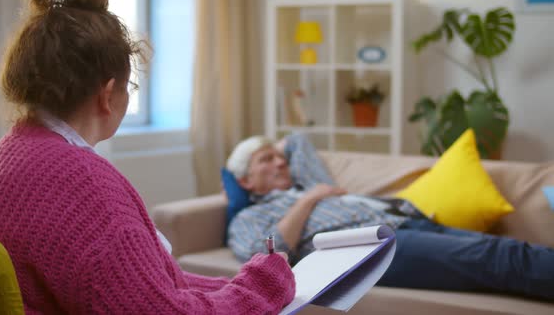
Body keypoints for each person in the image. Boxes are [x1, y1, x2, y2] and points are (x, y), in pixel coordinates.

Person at [0, 0, 295, 313]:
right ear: (108, 95)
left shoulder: (12, 152)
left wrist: (239, 285)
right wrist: (265, 285)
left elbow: (146, 284)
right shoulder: (83, 183)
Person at [226, 132, 554, 301]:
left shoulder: (309, 181)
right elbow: (265, 253)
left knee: (514, 250)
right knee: (496, 256)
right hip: (371, 245)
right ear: (245, 181)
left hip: (410, 220)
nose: (281, 163)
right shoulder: (251, 216)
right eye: (265, 160)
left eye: (279, 157)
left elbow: (297, 139)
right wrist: (310, 199)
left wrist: (292, 168)